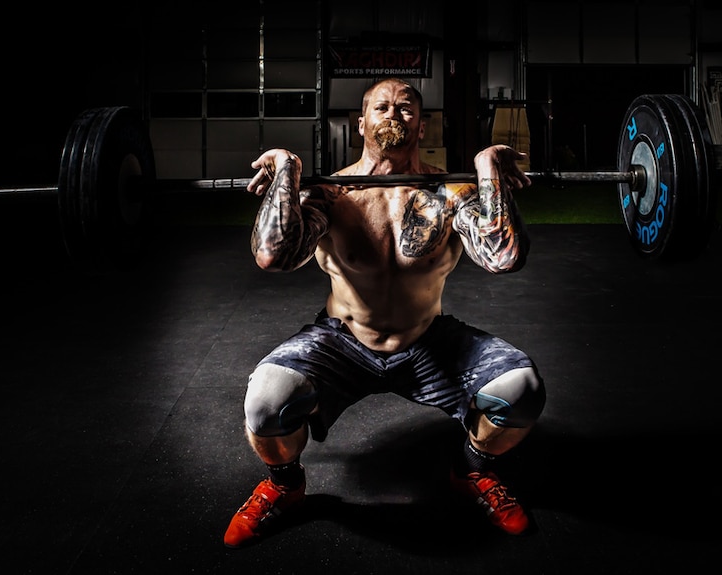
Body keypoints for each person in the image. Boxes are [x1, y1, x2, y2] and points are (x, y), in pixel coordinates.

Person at [224, 77, 546, 547]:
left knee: (522, 390)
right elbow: (274, 255)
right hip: (342, 341)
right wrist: (287, 172)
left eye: (406, 107)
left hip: (428, 340)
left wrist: (486, 170)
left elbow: (503, 256)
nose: (394, 114)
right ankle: (285, 485)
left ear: (421, 124)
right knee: (265, 403)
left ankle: (473, 471)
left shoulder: (449, 190)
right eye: (382, 107)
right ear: (361, 123)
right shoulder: (331, 194)